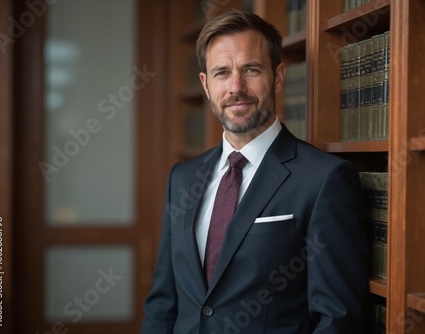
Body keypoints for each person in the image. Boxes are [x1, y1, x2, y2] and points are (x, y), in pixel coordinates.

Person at [141, 9, 369, 334]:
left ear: (277, 76)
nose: (236, 87)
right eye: (222, 73)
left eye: (250, 69)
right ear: (206, 85)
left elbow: (337, 319)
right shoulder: (182, 179)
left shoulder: (324, 179)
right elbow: (163, 304)